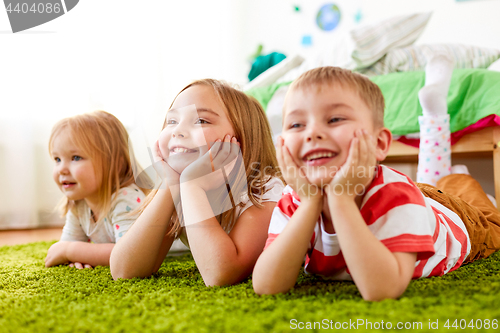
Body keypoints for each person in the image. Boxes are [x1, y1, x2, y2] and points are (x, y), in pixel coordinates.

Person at [252, 65, 500, 301]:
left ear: (379, 144)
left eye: (335, 119)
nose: (312, 133)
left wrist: (340, 198)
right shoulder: (294, 199)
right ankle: (448, 178)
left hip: (459, 220)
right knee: (435, 185)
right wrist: (309, 203)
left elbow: (382, 289)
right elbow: (266, 286)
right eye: (296, 124)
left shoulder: (396, 195)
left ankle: (459, 178)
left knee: (491, 219)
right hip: (415, 200)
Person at [110, 79, 284, 286]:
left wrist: (193, 186)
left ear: (241, 140)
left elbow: (220, 274)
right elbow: (124, 270)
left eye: (201, 121)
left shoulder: (265, 191)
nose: (177, 131)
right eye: (172, 121)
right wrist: (171, 185)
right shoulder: (178, 187)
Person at [45, 111, 147, 269]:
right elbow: (65, 245)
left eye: (76, 158)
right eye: (57, 159)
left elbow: (130, 254)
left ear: (115, 165)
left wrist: (72, 251)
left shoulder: (126, 199)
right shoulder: (80, 203)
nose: (61, 169)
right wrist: (73, 254)